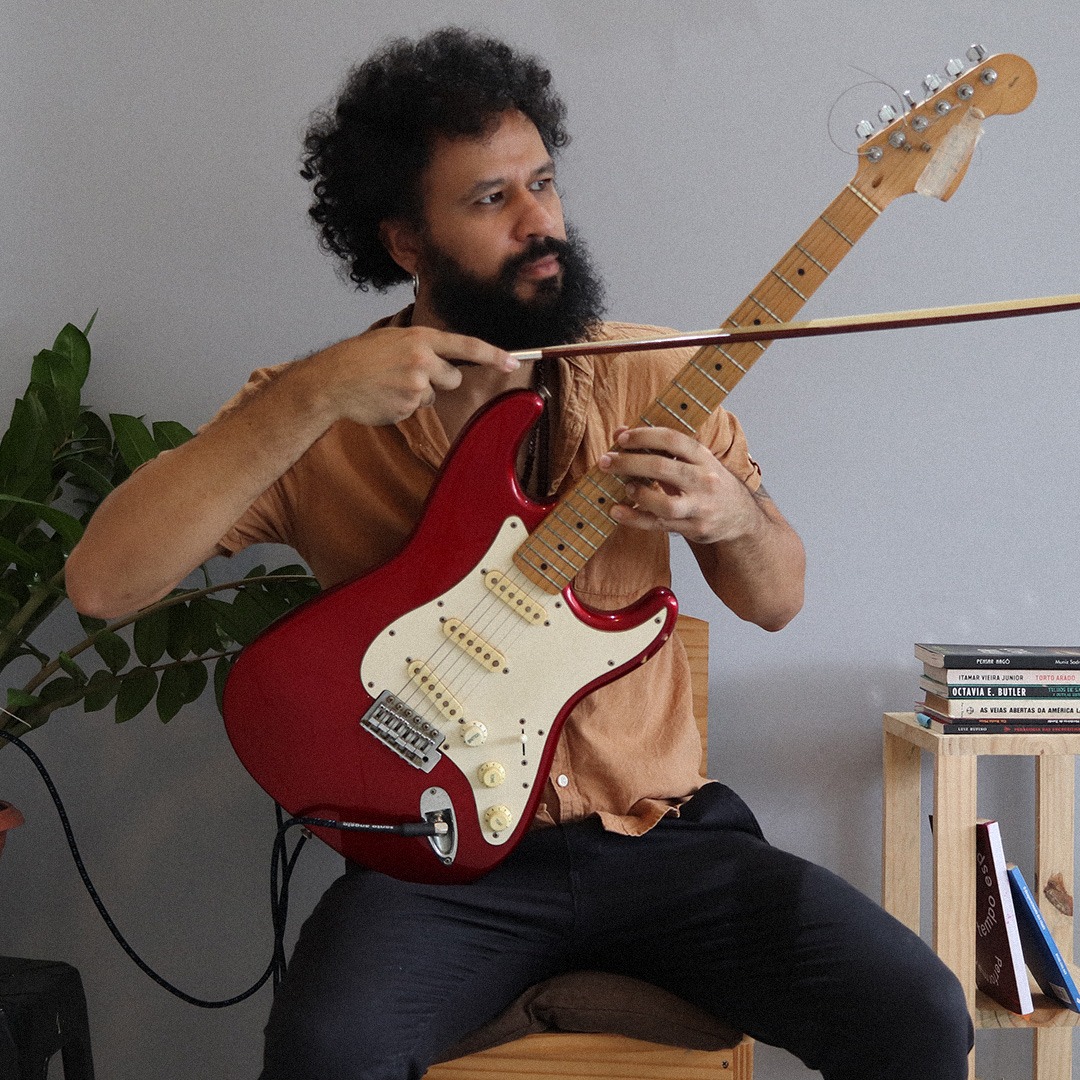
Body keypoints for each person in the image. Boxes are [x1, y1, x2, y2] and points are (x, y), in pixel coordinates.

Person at [65, 27, 973, 1080]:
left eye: (543, 182)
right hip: (440, 861)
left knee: (917, 1010)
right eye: (492, 200)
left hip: (661, 840)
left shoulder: (656, 376)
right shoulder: (320, 415)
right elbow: (101, 583)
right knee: (325, 1053)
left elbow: (778, 602)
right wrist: (310, 395)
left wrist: (735, 517)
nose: (542, 222)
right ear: (406, 241)